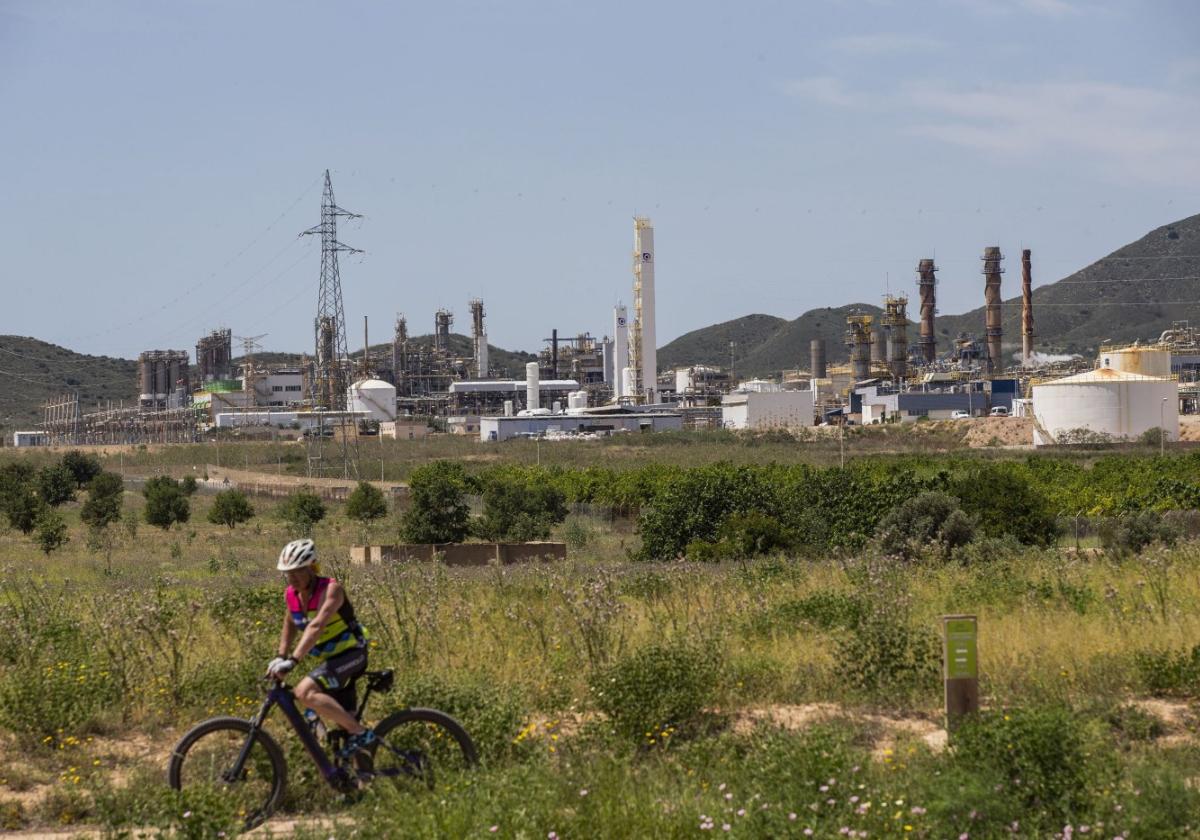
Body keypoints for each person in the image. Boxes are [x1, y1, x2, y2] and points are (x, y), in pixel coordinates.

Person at [266, 538, 375, 757]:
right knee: (345, 729)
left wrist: (293, 661)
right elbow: (290, 622)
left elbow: (316, 627)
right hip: (332, 661)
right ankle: (362, 782)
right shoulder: (292, 595)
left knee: (305, 691)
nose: (292, 577)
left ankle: (362, 732)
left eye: (298, 571)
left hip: (352, 655)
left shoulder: (331, 590)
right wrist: (280, 655)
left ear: (312, 568)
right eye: (288, 573)